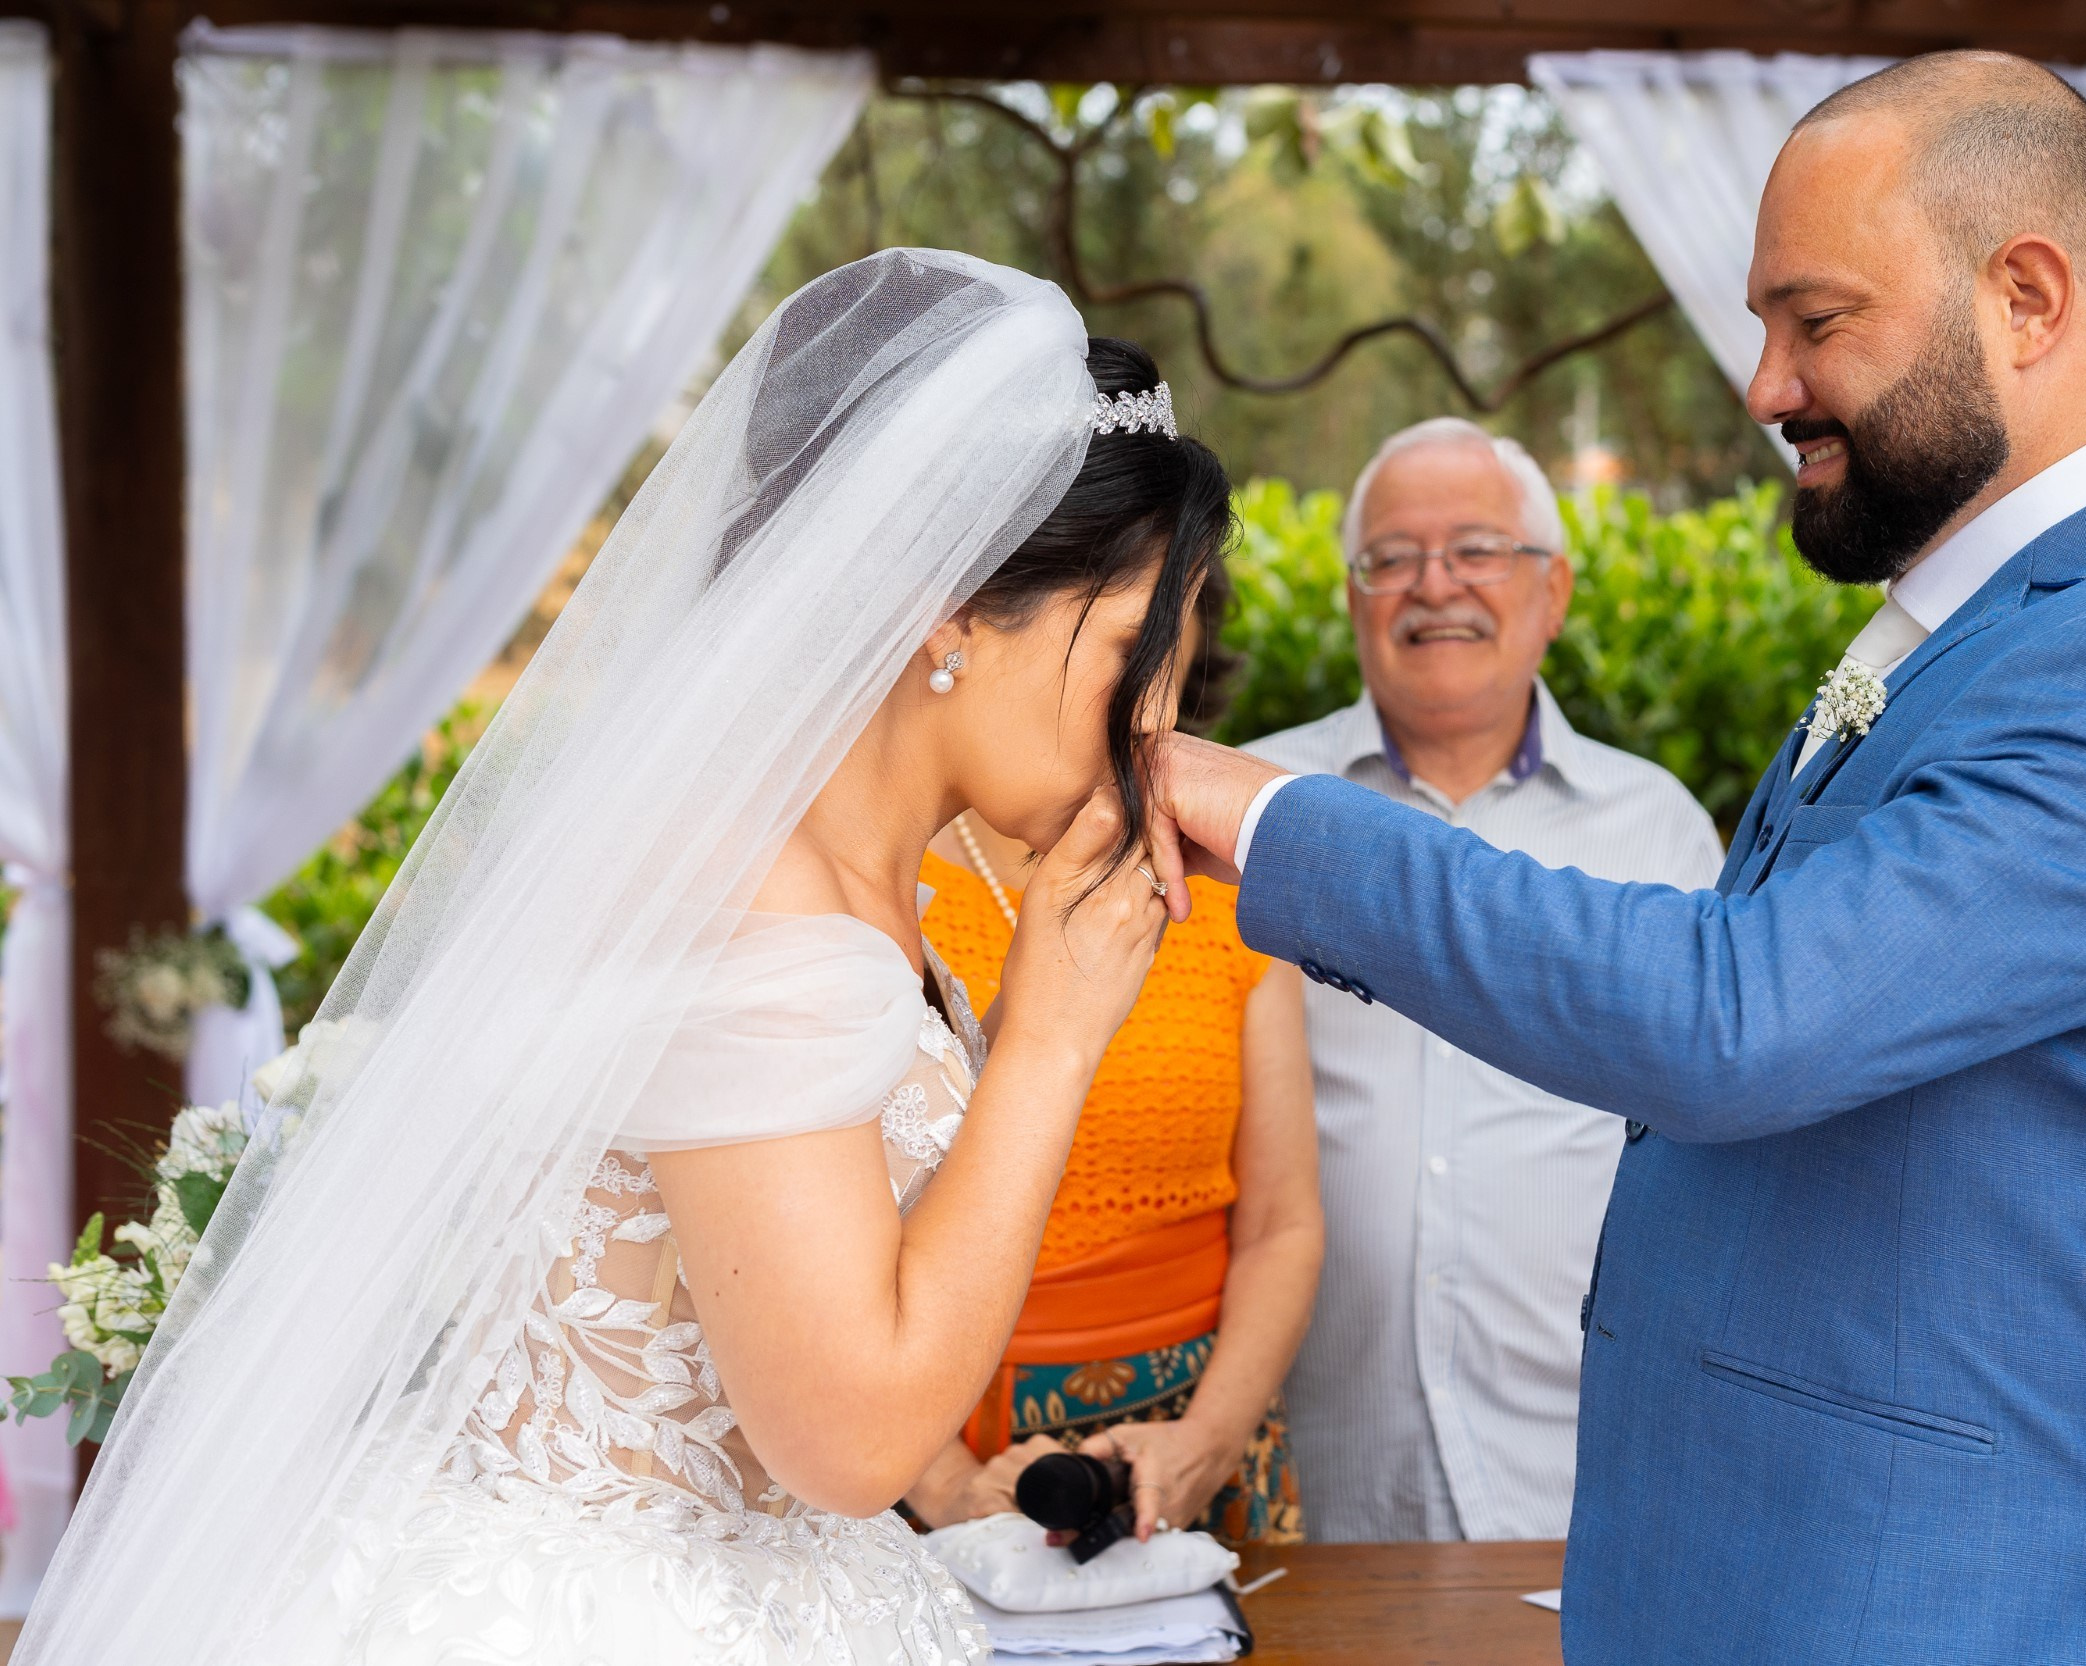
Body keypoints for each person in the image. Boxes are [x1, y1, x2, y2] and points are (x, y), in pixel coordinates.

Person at [1146, 53, 2086, 1666]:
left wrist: (1266, 816)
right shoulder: (1991, 629)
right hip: (1778, 1576)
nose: (1766, 385)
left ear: (2029, 297)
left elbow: (1740, 1017)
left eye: (1818, 320)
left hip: (1951, 1602)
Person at [19, 251, 1234, 1666]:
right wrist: (1051, 1043)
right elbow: (846, 1435)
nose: (1157, 721)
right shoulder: (756, 900)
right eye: (1132, 649)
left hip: (778, 1583)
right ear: (951, 608)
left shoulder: (851, 870)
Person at [1241, 418, 1717, 1542]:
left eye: (1476, 550)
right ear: (1353, 600)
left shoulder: (1656, 830)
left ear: (1552, 593)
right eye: (1391, 558)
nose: (1432, 585)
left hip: (1584, 1476)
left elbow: (1719, 1149)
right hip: (1309, 1473)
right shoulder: (1256, 812)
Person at [906, 572, 1322, 1548]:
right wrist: (950, 1486)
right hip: (933, 1451)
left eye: (1166, 664)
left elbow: (1281, 1218)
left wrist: (1208, 1440)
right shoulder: (884, 871)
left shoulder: (1217, 875)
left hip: (1184, 1454)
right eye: (1122, 655)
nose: (1152, 708)